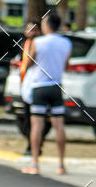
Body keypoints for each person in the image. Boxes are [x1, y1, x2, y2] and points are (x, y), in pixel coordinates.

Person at [22, 11, 71, 176]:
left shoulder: (38, 42)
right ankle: (61, 164)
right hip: (56, 86)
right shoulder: (66, 42)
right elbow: (66, 66)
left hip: (39, 87)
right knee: (59, 125)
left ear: (47, 25)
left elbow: (28, 64)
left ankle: (35, 163)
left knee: (37, 125)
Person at [19, 19, 50, 157]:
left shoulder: (40, 45)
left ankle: (34, 146)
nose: (31, 32)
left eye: (34, 30)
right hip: (26, 84)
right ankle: (33, 144)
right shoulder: (25, 43)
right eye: (28, 29)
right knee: (27, 118)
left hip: (37, 85)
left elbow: (30, 62)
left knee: (37, 119)